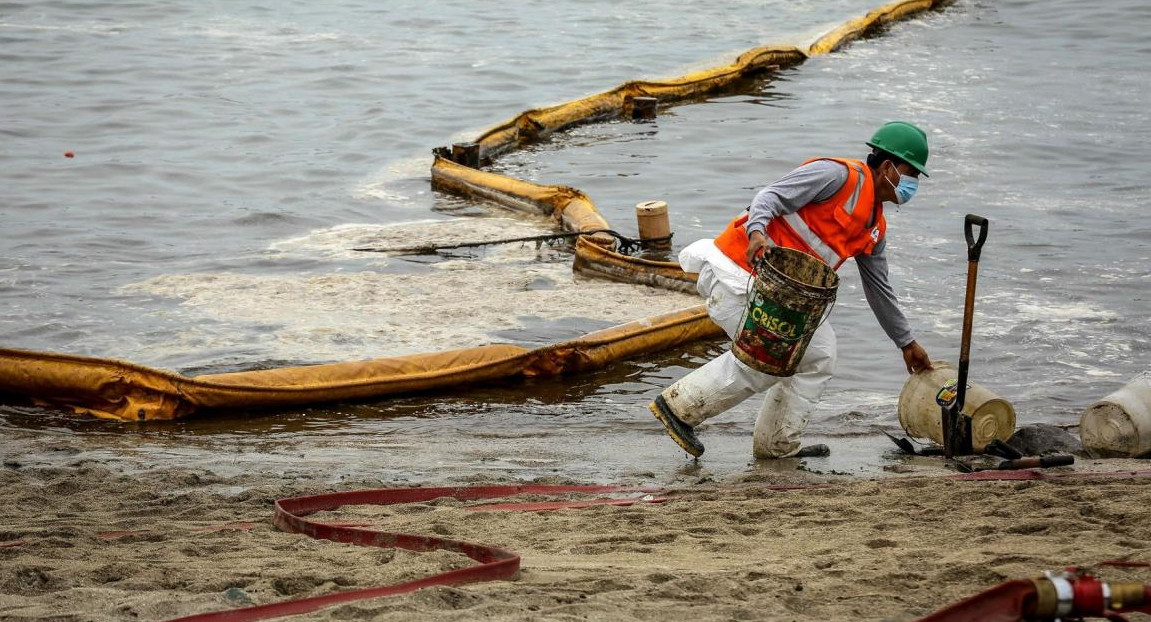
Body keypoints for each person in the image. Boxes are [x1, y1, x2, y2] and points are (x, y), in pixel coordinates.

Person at [650, 121, 935, 459]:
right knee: (768, 355)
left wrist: (906, 342)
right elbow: (769, 197)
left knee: (821, 354)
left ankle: (777, 444)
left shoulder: (874, 227)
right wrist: (757, 232)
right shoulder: (837, 176)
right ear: (888, 166)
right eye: (910, 173)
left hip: (778, 297)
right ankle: (679, 408)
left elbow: (879, 291)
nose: (912, 184)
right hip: (737, 274)